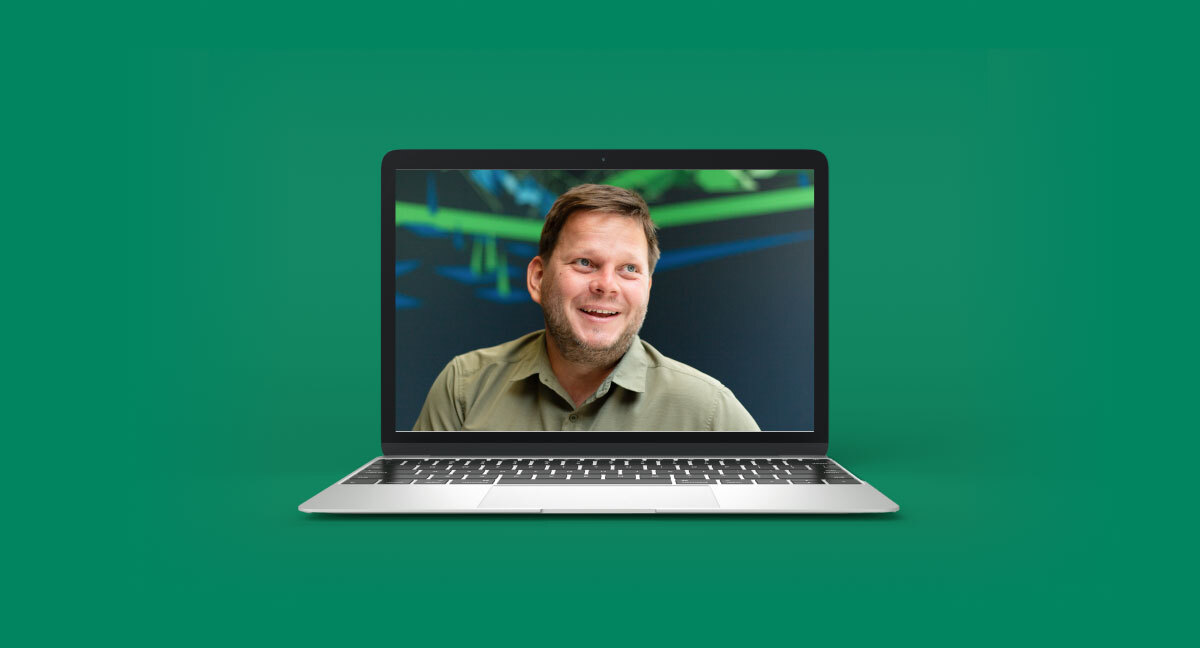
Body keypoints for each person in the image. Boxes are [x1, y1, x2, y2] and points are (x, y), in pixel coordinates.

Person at [413, 183, 759, 431]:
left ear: (647, 289)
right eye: (584, 262)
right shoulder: (463, 388)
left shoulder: (711, 412)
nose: (606, 285)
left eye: (629, 269)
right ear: (537, 278)